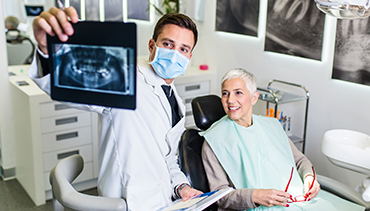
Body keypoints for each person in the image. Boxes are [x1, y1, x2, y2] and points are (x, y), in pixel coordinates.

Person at [28, 6, 202, 210]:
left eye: (183, 49)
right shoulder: (126, 77)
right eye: (168, 44)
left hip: (164, 198)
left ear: (189, 56)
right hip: (127, 199)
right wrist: (47, 51)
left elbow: (169, 156)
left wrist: (181, 186)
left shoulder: (175, 99)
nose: (175, 54)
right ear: (152, 46)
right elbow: (73, 87)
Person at [200, 68, 365, 210]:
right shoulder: (214, 141)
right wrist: (255, 196)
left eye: (238, 93)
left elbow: (299, 160)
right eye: (225, 93)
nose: (230, 100)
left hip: (299, 201)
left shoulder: (272, 126)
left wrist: (309, 177)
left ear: (254, 98)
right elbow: (219, 195)